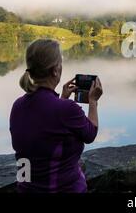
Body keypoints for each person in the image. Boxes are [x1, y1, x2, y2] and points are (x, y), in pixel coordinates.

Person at [9, 39, 103, 193]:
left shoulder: (17, 105)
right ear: (55, 70)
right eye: (60, 62)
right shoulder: (66, 109)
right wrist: (93, 102)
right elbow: (90, 133)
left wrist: (62, 99)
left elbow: (45, 128)